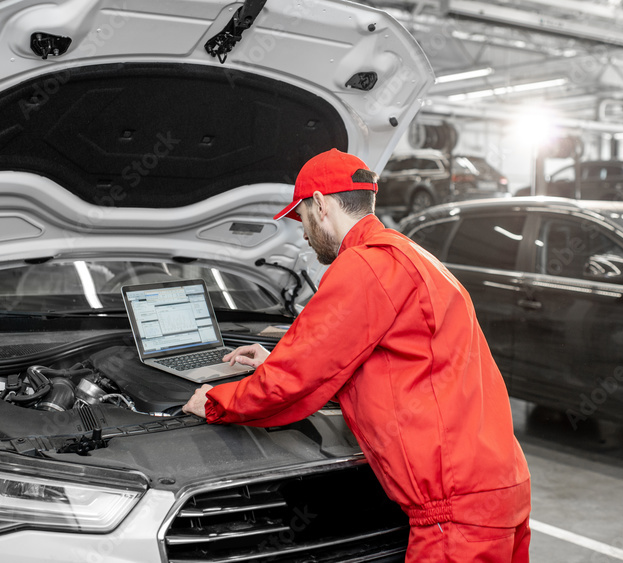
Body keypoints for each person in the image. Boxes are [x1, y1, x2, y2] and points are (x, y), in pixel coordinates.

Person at [184, 148, 530, 562]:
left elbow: (292, 381)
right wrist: (274, 358)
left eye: (302, 218)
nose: (304, 235)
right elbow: (369, 355)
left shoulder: (365, 265)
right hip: (497, 485)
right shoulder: (409, 256)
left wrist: (214, 402)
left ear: (321, 204)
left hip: (453, 509)